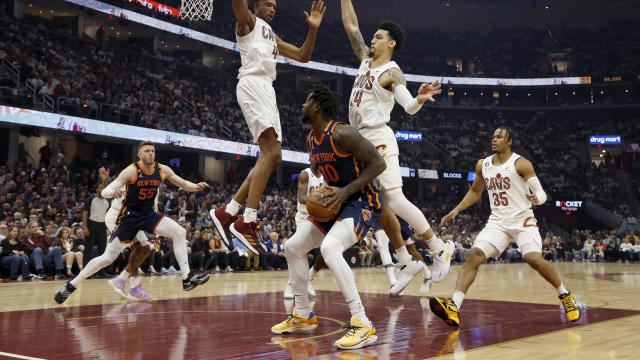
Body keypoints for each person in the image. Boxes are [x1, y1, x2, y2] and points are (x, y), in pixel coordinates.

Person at [340, 0, 453, 296]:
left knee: (393, 199)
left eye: (378, 36)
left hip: (377, 137)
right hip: (358, 139)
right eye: (373, 36)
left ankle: (438, 248)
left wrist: (420, 97)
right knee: (379, 206)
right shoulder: (365, 60)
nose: (372, 39)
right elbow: (352, 27)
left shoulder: (392, 72)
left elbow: (408, 107)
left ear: (391, 43)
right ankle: (406, 261)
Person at [429, 127, 581, 327]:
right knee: (474, 255)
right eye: (493, 136)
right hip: (497, 222)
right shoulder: (483, 164)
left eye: (499, 137)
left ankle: (565, 295)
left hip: (522, 220)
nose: (494, 139)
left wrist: (537, 199)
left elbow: (541, 193)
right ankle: (454, 307)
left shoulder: (521, 163)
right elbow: (475, 192)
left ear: (509, 142)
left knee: (533, 259)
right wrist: (456, 210)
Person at [271, 84, 383, 350]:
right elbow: (330, 175)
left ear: (317, 107)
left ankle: (362, 322)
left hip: (360, 201)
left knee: (331, 248)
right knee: (292, 247)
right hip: (335, 201)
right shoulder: (312, 139)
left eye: (307, 100)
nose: (302, 105)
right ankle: (302, 314)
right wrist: (325, 194)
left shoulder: (343, 133)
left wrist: (345, 191)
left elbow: (379, 163)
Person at [210, 0, 327, 255]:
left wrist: (313, 29)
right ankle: (247, 221)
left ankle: (227, 212)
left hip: (266, 90)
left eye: (275, 5)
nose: (273, 8)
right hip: (253, 84)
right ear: (257, 5)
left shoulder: (271, 35)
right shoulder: (248, 22)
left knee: (270, 158)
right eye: (268, 4)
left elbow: (302, 56)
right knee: (273, 155)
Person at [54, 142, 210, 304]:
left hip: (148, 215)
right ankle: (73, 284)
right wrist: (112, 192)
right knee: (108, 257)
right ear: (139, 155)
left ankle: (186, 278)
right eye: (147, 151)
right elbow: (106, 191)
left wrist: (195, 187)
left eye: (153, 151)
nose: (150, 153)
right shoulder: (131, 171)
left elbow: (183, 183)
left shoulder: (162, 169)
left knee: (178, 233)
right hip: (128, 218)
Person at [283, 159, 325, 299]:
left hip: (320, 217)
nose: (316, 160)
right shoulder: (304, 174)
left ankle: (309, 279)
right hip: (304, 217)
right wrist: (319, 202)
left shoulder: (326, 176)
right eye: (313, 157)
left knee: (328, 250)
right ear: (310, 159)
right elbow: (301, 198)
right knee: (301, 251)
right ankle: (291, 285)